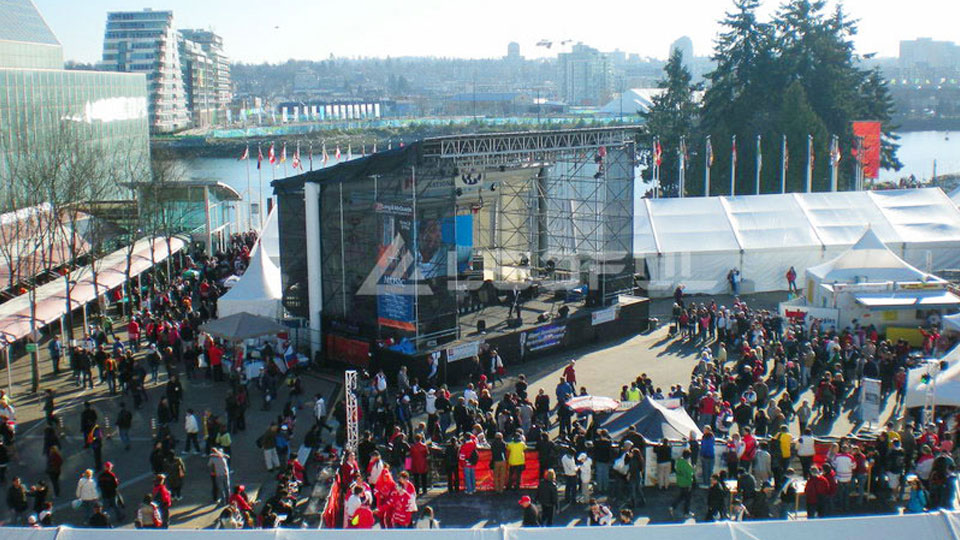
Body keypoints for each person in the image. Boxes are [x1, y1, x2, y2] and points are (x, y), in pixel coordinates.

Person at [669, 449, 695, 518]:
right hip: (687, 483)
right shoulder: (688, 465)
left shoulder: (679, 462)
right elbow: (690, 474)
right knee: (687, 499)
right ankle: (686, 513)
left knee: (682, 496)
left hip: (680, 482)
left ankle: (673, 506)